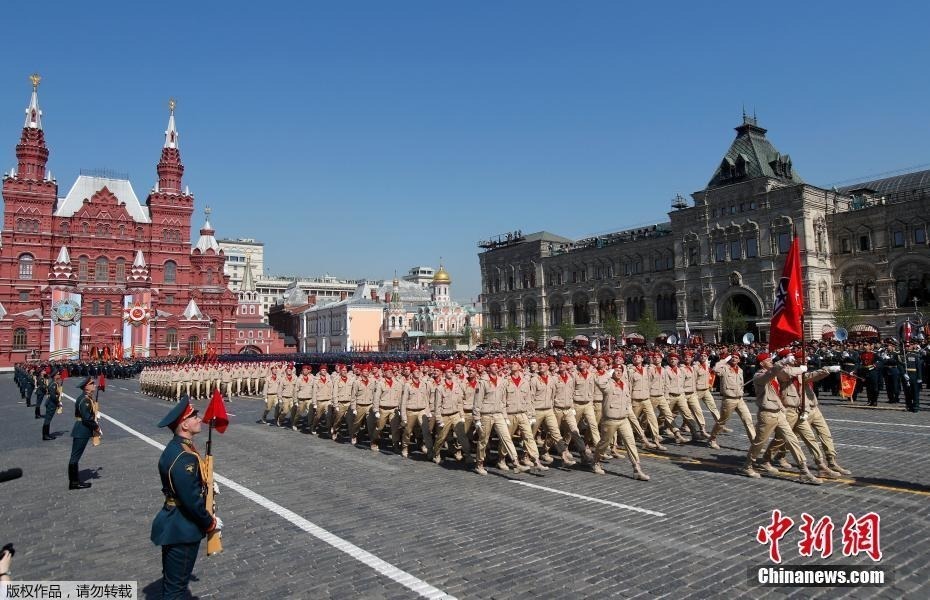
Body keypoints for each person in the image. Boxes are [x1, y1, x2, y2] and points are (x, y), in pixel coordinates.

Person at [151, 397, 223, 600]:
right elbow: (190, 500)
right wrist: (210, 522)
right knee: (176, 590)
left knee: (172, 584)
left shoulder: (179, 448)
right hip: (182, 528)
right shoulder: (185, 458)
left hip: (175, 521)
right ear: (184, 424)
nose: (199, 419)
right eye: (194, 416)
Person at [68, 377, 100, 490]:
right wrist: (96, 427)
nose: (94, 385)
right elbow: (86, 418)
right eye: (92, 384)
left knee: (75, 456)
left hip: (82, 429)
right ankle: (74, 483)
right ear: (86, 387)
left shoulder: (86, 398)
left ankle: (74, 481)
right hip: (82, 430)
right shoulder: (85, 400)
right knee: (75, 457)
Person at [42, 370, 64, 441]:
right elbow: (53, 396)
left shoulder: (54, 383)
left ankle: (46, 434)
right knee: (47, 420)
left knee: (48, 419)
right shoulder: (53, 384)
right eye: (58, 374)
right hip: (51, 404)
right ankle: (45, 435)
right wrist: (58, 403)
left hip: (51, 403)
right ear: (54, 376)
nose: (59, 375)